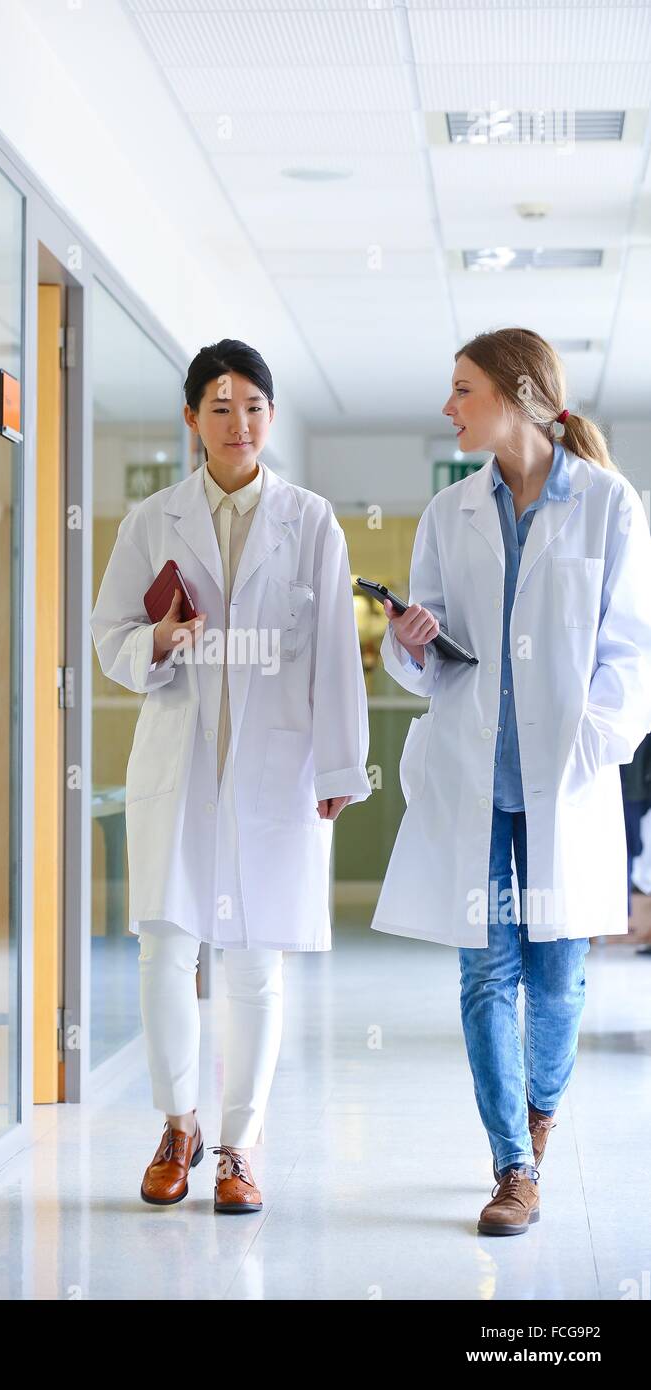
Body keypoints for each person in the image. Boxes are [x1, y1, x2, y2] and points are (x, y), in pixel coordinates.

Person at [373, 327, 651, 1236]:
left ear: (517, 393)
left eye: (463, 389)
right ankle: (513, 1165)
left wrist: (586, 747)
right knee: (486, 975)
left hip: (561, 788)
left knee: (558, 977)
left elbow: (632, 654)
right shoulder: (448, 514)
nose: (449, 407)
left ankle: (540, 1114)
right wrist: (409, 641)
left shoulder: (608, 504)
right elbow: (425, 657)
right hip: (477, 784)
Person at [90, 340, 370, 1213]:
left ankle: (241, 1146)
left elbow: (333, 655)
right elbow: (108, 639)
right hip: (178, 763)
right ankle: (180, 1125)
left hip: (275, 769)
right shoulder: (151, 521)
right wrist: (159, 643)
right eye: (218, 405)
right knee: (167, 951)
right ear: (190, 420)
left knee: (254, 961)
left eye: (252, 405)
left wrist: (339, 765)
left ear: (271, 417)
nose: (237, 422)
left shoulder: (311, 519)